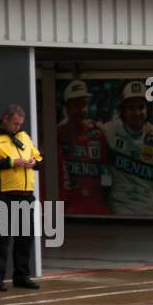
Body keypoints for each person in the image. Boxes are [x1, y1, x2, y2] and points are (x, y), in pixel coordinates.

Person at [0, 104, 42, 291]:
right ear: (5, 119)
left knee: (25, 238)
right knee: (0, 240)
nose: (17, 127)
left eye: (20, 124)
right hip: (3, 195)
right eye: (14, 124)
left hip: (26, 196)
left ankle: (22, 276)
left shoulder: (24, 137)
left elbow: (40, 159)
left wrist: (33, 162)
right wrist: (11, 162)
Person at [102, 80, 153, 217]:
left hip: (149, 209)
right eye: (131, 108)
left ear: (147, 109)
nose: (137, 112)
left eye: (141, 107)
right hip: (120, 207)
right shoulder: (109, 130)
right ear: (123, 110)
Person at [56, 80, 111, 216]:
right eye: (75, 105)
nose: (81, 110)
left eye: (84, 105)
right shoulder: (58, 134)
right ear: (66, 108)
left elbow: (108, 171)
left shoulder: (98, 133)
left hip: (96, 210)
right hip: (68, 211)